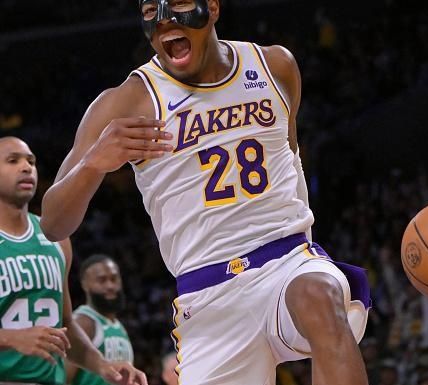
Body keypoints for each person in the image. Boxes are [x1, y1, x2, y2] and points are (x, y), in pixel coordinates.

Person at [40, 1, 372, 383]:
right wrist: (93, 163)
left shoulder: (274, 67)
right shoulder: (127, 101)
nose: (165, 18)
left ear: (212, 7)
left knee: (318, 297)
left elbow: (292, 163)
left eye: (179, 3)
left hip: (286, 264)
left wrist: (307, 248)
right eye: (151, 9)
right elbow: (52, 222)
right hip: (209, 296)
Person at [0, 137, 146, 385]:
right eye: (12, 161)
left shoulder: (56, 238)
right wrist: (10, 338)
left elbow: (66, 324)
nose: (26, 167)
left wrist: (103, 365)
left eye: (31, 161)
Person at [66, 254, 134, 385]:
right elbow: (62, 377)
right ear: (85, 284)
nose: (110, 286)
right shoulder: (83, 322)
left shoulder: (119, 327)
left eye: (114, 279)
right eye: (102, 280)